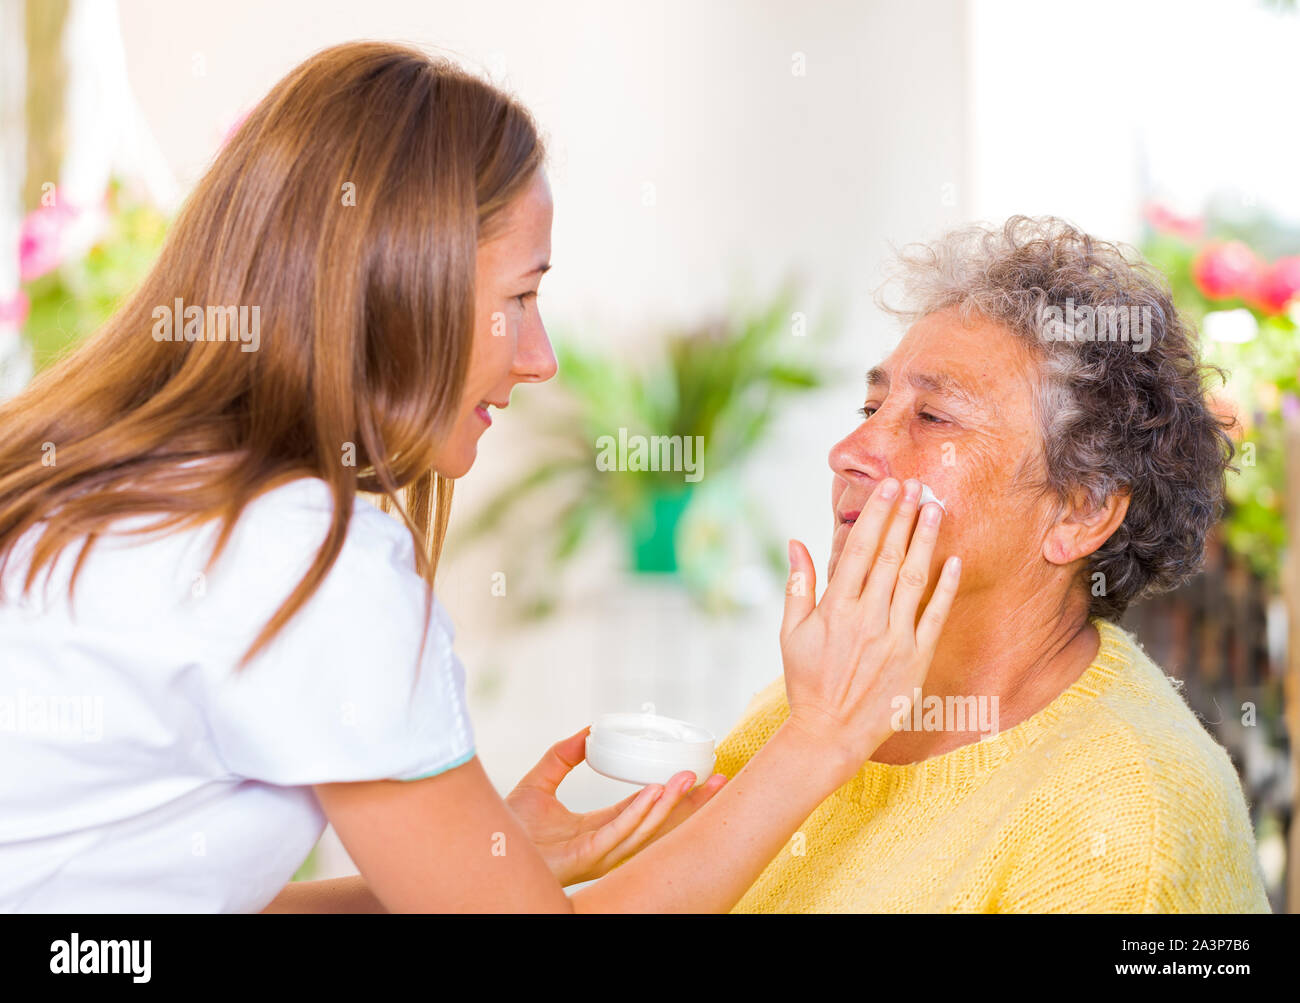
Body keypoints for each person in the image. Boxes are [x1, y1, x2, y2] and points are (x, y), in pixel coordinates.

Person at [0, 40, 960, 913]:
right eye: (520, 296)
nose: (538, 357)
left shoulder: (124, 477)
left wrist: (468, 862)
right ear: (398, 283)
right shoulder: (304, 554)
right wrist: (824, 738)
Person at [711, 217, 1272, 912]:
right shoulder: (809, 709)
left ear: (1080, 510)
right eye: (872, 403)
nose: (850, 449)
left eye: (933, 417)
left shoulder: (1124, 822)